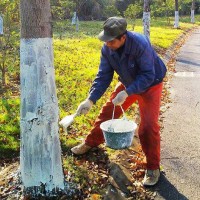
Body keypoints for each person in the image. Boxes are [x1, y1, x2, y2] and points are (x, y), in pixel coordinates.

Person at [71, 17, 167, 186]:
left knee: (148, 127)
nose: (107, 44)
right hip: (128, 82)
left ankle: (153, 168)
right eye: (105, 40)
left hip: (151, 84)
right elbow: (103, 76)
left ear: (123, 38)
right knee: (108, 112)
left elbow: (147, 75)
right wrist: (90, 100)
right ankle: (90, 142)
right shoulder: (107, 49)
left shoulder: (140, 44)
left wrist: (127, 92)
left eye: (111, 41)